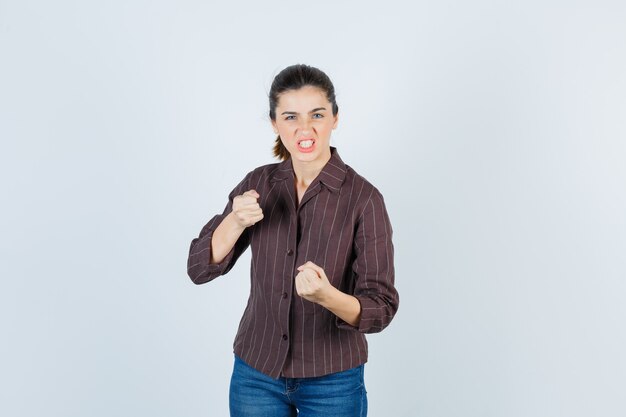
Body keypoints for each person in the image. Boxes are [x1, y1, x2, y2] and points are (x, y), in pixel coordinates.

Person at [186, 64, 399, 417]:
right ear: (274, 123)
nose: (305, 128)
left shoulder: (364, 199)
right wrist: (235, 222)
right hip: (256, 375)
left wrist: (327, 297)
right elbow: (198, 268)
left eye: (317, 114)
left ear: (335, 117)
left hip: (333, 381)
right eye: (290, 116)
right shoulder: (259, 183)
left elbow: (381, 307)